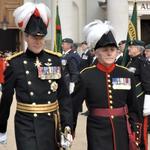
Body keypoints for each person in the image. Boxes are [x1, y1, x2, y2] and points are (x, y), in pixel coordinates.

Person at [0, 2, 73, 150]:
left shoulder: (55, 60)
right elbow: (7, 97)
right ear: (26, 37)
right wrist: (2, 127)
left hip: (51, 123)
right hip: (25, 123)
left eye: (41, 37)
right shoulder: (15, 63)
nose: (38, 41)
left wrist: (67, 125)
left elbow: (64, 96)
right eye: (34, 37)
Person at [72, 20, 142, 150]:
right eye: (105, 50)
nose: (109, 53)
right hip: (97, 130)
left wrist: (135, 132)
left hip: (122, 129)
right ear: (96, 52)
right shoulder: (86, 76)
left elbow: (134, 107)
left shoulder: (126, 74)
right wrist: (69, 129)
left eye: (112, 49)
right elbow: (74, 105)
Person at [127, 40, 145, 150]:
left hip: (139, 98)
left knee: (138, 122)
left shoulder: (142, 62)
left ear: (138, 49)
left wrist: (147, 98)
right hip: (131, 97)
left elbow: (146, 81)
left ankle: (140, 145)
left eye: (132, 47)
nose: (129, 48)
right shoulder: (131, 62)